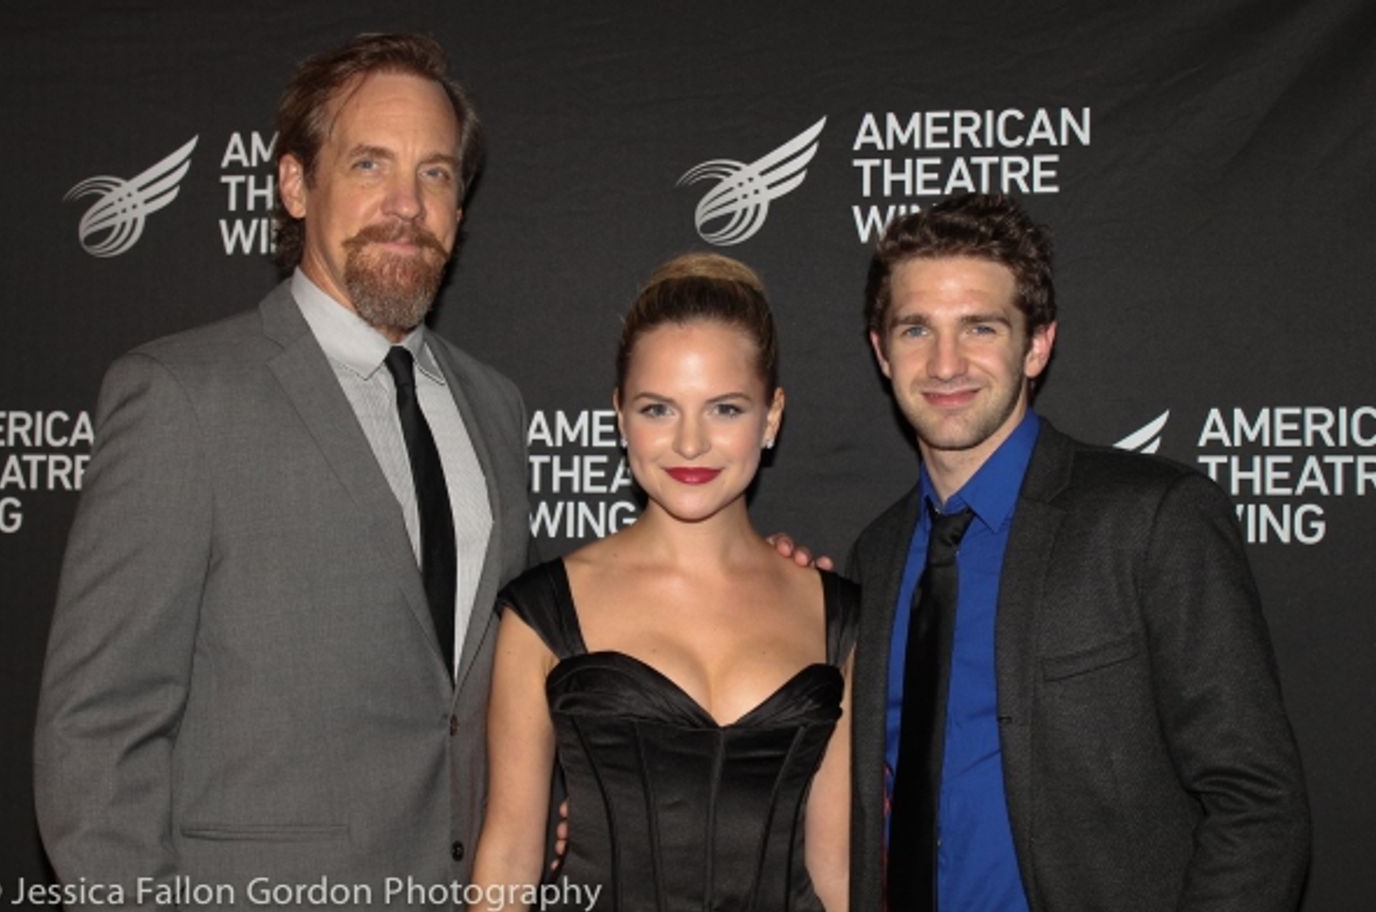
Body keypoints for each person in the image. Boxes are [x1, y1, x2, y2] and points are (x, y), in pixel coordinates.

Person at [34, 34, 530, 906]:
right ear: (296, 185)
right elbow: (95, 735)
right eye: (370, 164)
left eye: (437, 173)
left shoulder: (495, 408)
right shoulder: (182, 397)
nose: (407, 204)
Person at [847, 193, 1310, 911]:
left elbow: (1257, 803)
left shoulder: (1151, 518)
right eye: (916, 329)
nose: (945, 363)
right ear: (882, 352)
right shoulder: (875, 557)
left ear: (1036, 345)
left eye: (980, 327)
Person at [467, 254, 855, 912]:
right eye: (658, 409)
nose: (690, 443)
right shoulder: (541, 612)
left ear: (771, 417)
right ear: (620, 416)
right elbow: (507, 860)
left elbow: (837, 874)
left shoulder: (838, 616)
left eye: (725, 408)